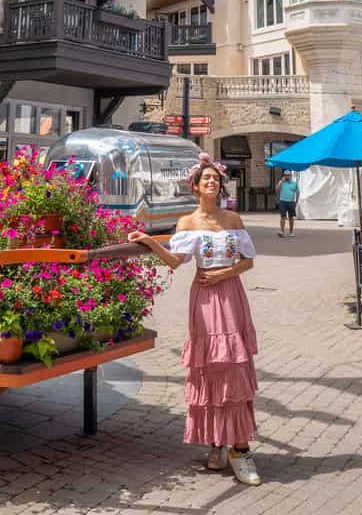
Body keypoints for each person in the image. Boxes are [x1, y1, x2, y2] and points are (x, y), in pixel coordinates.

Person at [128, 151, 261, 486]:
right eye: (206, 179)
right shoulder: (187, 222)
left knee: (233, 365)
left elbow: (248, 262)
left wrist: (223, 274)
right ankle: (216, 443)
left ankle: (240, 449)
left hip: (230, 293)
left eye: (215, 178)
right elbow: (174, 261)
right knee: (210, 367)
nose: (212, 181)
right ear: (196, 186)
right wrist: (147, 241)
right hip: (203, 299)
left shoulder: (233, 219)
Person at [278, 171, 299, 237]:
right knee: (283, 217)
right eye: (285, 175)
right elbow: (277, 189)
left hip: (291, 202)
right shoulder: (281, 182)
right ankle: (282, 231)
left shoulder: (294, 183)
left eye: (288, 175)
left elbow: (298, 192)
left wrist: (296, 201)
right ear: (284, 175)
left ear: (291, 176)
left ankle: (291, 232)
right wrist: (281, 182)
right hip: (282, 201)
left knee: (291, 217)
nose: (287, 176)